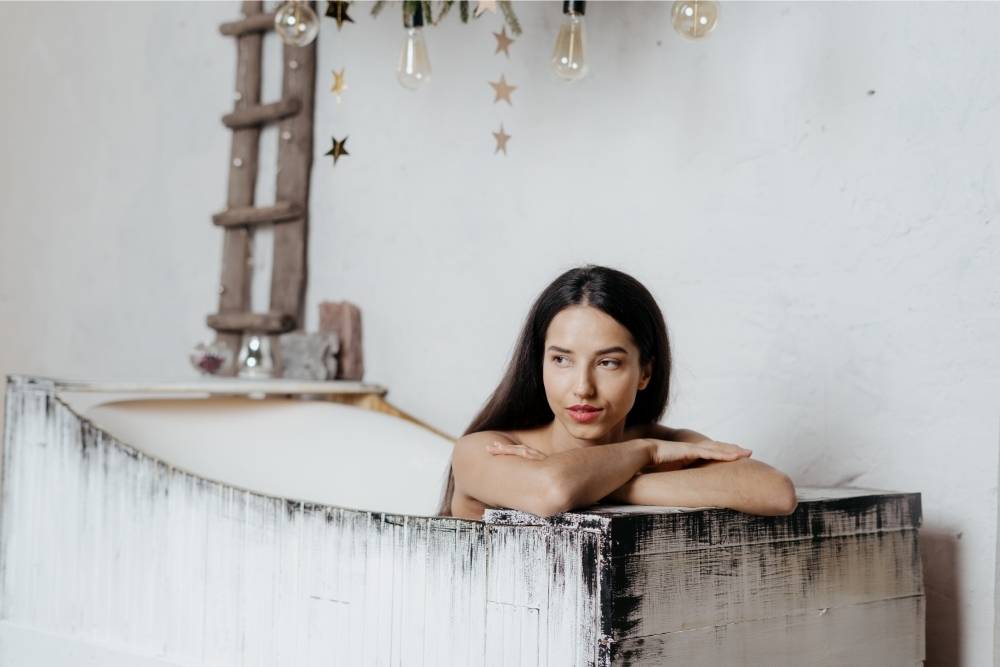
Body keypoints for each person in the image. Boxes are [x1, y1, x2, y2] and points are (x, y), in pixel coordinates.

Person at [437, 264, 798, 521]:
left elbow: (774, 491)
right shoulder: (485, 449)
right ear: (539, 364)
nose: (582, 387)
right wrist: (646, 453)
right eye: (562, 360)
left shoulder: (667, 446)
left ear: (645, 373)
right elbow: (552, 492)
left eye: (608, 363)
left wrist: (615, 482)